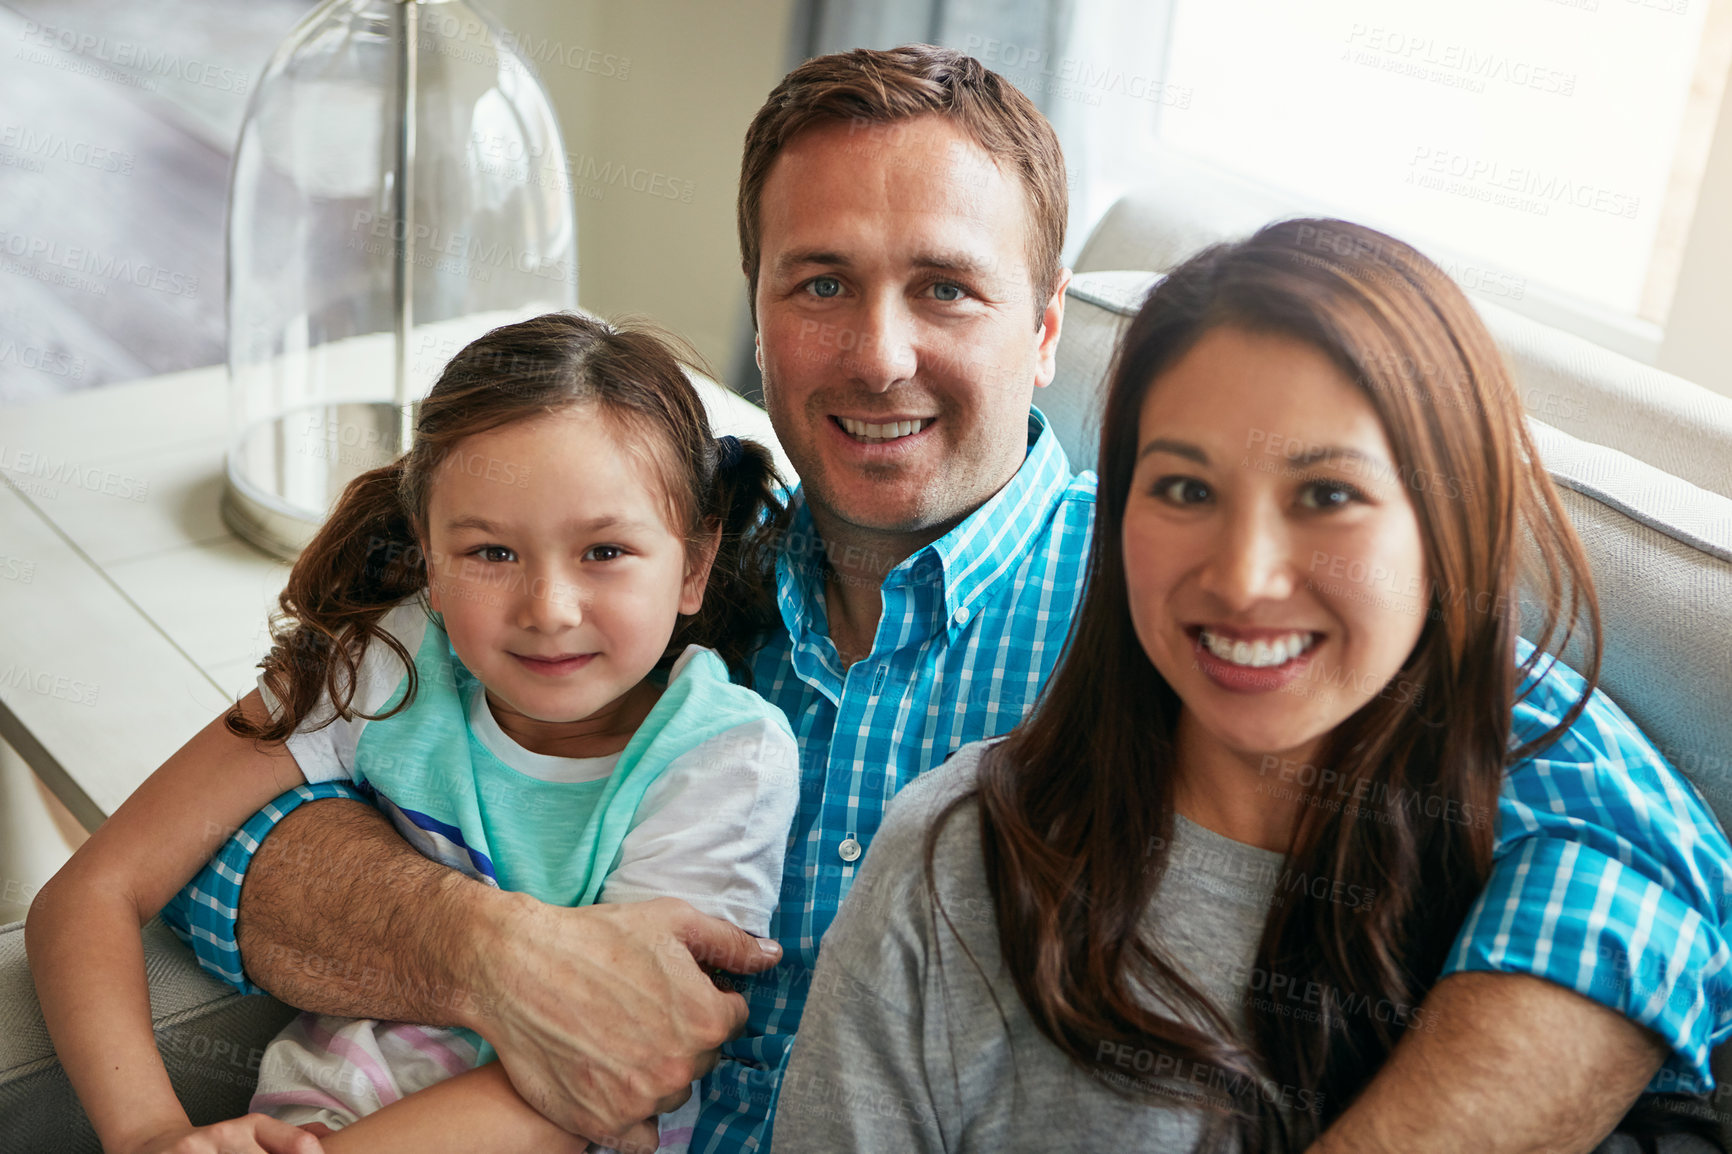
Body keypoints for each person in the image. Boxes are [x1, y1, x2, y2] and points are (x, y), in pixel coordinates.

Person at [157, 47, 1727, 1154]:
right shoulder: (656, 574)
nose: (879, 354)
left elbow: (1647, 862)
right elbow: (233, 837)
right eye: (820, 282)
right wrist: (484, 948)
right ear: (759, 313)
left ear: (1048, 328)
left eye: (946, 288)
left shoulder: (1179, 599)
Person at [778, 218, 1732, 1152]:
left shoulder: (1544, 852)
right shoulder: (950, 867)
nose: (1242, 577)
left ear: (1449, 533)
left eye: (1328, 496)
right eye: (1185, 489)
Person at [27, 313, 801, 1154]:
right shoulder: (387, 667)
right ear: (429, 561)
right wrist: (148, 1133)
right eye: (491, 554)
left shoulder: (720, 758)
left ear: (692, 565)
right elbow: (93, 891)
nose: (549, 609)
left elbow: (603, 1072)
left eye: (605, 552)